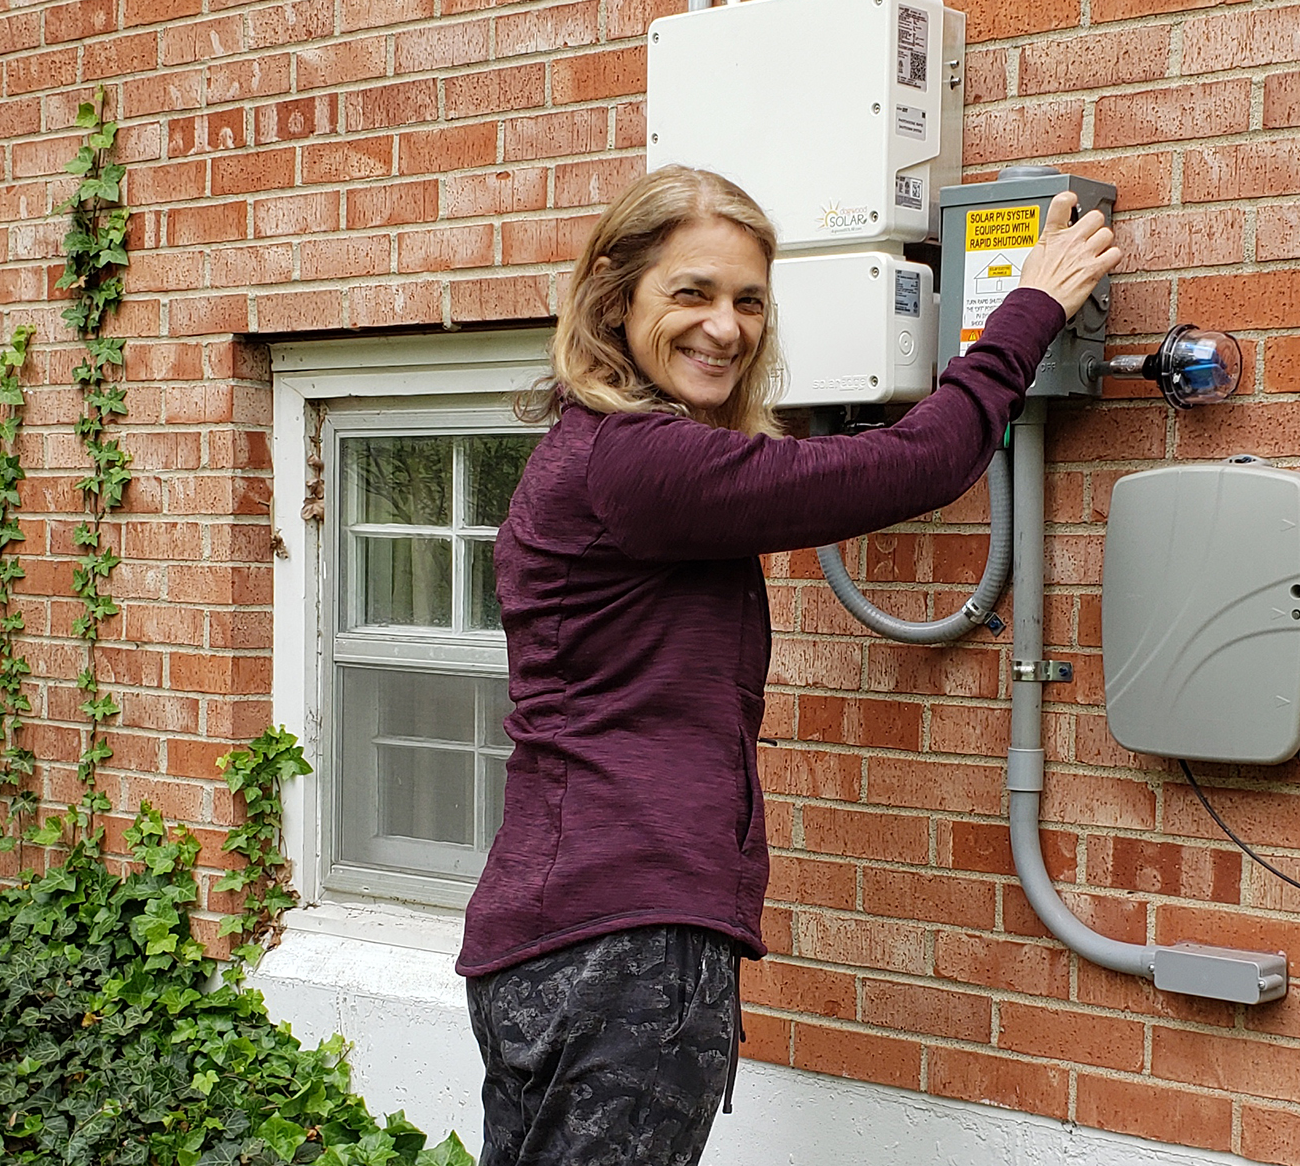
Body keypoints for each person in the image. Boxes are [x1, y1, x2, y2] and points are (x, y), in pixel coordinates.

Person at [459, 163, 1120, 1166]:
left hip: (557, 931)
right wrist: (1022, 311)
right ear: (612, 299)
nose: (725, 326)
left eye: (748, 300)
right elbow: (917, 465)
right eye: (690, 292)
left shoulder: (596, 452)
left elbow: (790, 469)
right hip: (624, 941)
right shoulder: (637, 464)